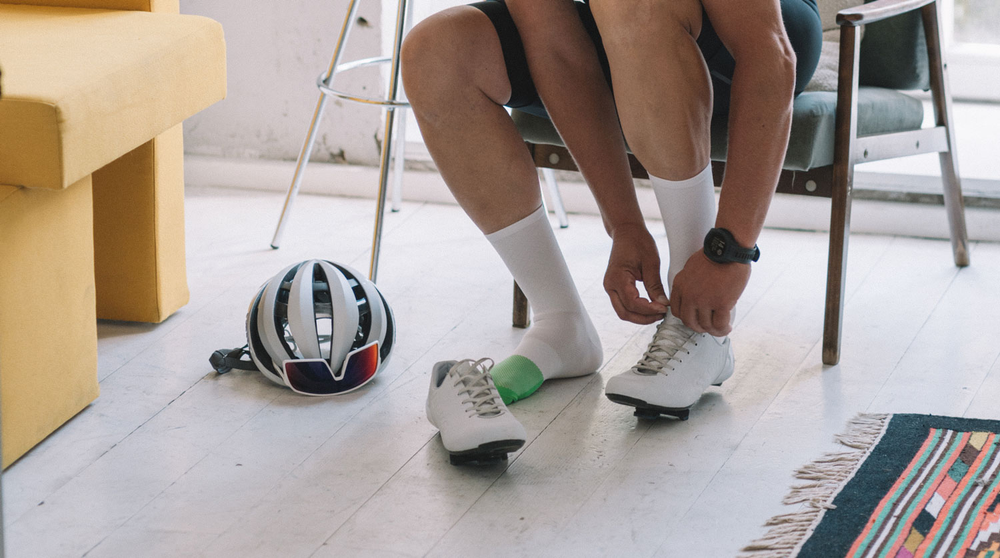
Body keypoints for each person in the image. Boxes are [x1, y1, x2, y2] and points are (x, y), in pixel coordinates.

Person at [406, 0, 822, 461]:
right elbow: (558, 48)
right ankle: (561, 324)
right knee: (437, 50)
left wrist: (730, 251)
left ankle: (699, 327)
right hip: (617, 35)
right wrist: (624, 223)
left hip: (751, 38)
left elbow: (770, 54)